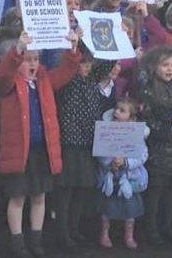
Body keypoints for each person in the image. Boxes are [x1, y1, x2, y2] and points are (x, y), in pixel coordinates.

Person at [0, 30, 80, 258]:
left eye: (35, 59)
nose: (32, 63)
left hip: (41, 151)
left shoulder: (44, 80)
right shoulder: (9, 85)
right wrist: (18, 50)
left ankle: (36, 240)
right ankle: (18, 243)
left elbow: (67, 71)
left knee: (39, 196)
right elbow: (3, 76)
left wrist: (73, 49)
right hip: (18, 153)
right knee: (17, 198)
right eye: (27, 59)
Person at [54, 52, 113, 250]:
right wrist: (73, 51)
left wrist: (116, 37)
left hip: (88, 143)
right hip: (69, 143)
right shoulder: (68, 81)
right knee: (65, 191)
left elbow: (107, 64)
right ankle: (62, 233)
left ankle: (74, 229)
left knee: (81, 189)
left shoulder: (92, 80)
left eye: (89, 63)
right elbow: (68, 68)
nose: (87, 67)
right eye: (83, 63)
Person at [139, 46, 172, 245]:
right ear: (154, 67)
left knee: (171, 191)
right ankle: (151, 230)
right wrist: (171, 131)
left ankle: (167, 227)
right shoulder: (147, 89)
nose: (170, 69)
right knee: (156, 192)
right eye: (164, 65)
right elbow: (148, 121)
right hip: (158, 151)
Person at [96, 98, 148, 249]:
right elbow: (100, 153)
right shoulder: (106, 131)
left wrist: (126, 162)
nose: (116, 112)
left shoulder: (137, 135)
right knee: (107, 209)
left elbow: (142, 155)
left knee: (130, 210)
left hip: (129, 180)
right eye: (116, 109)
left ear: (131, 118)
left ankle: (129, 235)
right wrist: (109, 162)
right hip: (110, 179)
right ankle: (104, 234)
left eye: (122, 110)